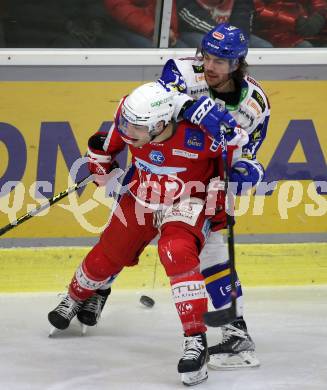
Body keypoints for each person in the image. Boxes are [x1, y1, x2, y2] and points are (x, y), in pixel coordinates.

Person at [74, 22, 269, 370]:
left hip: (203, 185)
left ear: (238, 64)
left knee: (210, 255)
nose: (209, 66)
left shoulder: (254, 104)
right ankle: (100, 289)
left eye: (220, 61)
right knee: (123, 240)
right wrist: (188, 106)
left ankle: (233, 329)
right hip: (156, 168)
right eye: (206, 57)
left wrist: (247, 172)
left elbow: (250, 154)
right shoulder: (180, 70)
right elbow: (154, 100)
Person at [48, 81, 248, 386]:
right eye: (126, 122)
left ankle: (195, 338)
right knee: (107, 256)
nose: (128, 130)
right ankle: (75, 296)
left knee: (176, 252)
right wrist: (99, 159)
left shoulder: (199, 137)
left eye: (136, 126)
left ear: (159, 124)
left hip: (186, 202)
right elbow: (109, 141)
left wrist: (237, 170)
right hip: (141, 196)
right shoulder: (130, 115)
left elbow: (236, 149)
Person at [253, 0, 327, 48]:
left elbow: (319, 4)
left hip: (315, 33)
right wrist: (295, 19)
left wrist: (320, 15)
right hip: (276, 33)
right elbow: (258, 10)